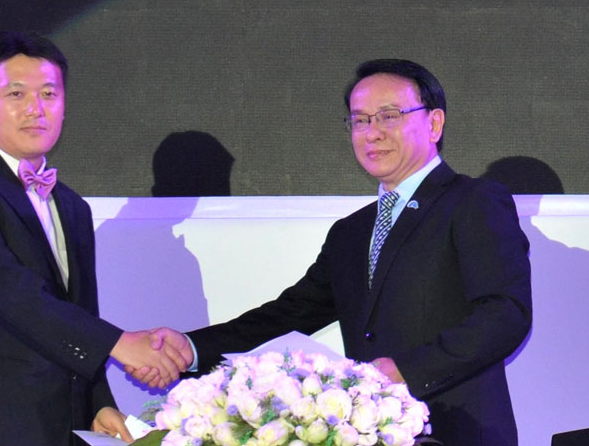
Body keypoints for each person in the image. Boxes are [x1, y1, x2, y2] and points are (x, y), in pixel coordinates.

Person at [182, 59, 533, 446]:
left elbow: (505, 314)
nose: (372, 132)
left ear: (434, 124)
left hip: (459, 433)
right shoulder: (350, 232)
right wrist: (190, 349)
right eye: (360, 120)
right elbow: (289, 314)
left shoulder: (473, 201)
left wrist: (407, 371)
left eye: (389, 116)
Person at [0, 31, 190, 446]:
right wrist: (120, 344)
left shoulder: (72, 207)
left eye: (49, 94)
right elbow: (11, 293)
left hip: (53, 429)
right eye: (16, 94)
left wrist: (98, 403)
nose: (35, 108)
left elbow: (77, 312)